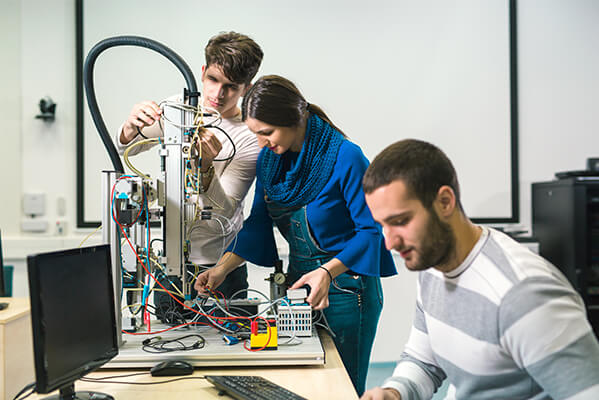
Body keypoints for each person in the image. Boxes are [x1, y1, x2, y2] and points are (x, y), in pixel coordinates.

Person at [194, 75, 397, 395]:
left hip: (347, 292)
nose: (261, 143)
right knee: (303, 386)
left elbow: (371, 232)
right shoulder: (269, 160)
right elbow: (258, 223)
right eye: (255, 134)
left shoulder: (346, 156)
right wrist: (221, 269)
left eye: (266, 133)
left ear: (293, 119)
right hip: (299, 289)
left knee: (342, 390)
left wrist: (327, 272)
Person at [360, 139, 599, 400]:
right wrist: (394, 394)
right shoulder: (431, 267)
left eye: (400, 221)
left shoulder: (525, 296)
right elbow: (424, 361)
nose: (390, 242)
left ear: (445, 202)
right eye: (383, 225)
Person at [114, 32, 263, 305]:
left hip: (221, 270)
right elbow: (125, 150)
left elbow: (224, 211)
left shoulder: (249, 135)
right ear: (203, 72)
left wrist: (206, 167)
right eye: (213, 80)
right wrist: (129, 127)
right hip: (168, 266)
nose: (218, 94)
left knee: (228, 347)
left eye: (231, 86)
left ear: (246, 88)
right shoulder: (176, 110)